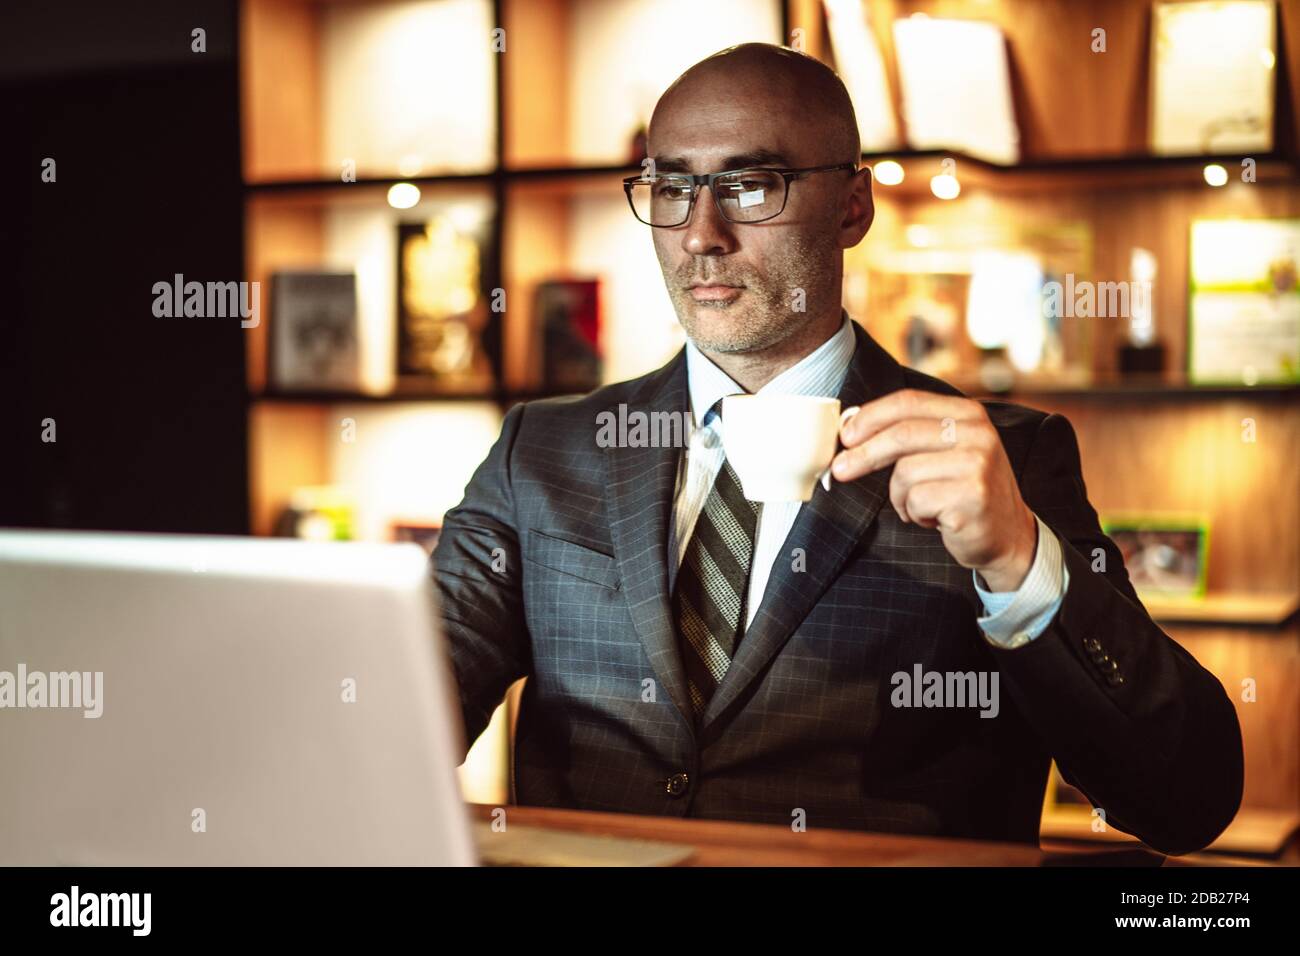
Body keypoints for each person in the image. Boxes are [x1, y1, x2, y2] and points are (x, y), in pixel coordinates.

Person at [433, 43, 1242, 855]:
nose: (701, 235)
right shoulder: (542, 449)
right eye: (672, 187)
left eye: (750, 186)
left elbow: (1186, 800)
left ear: (853, 206)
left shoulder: (1003, 459)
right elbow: (411, 703)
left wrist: (1020, 564)